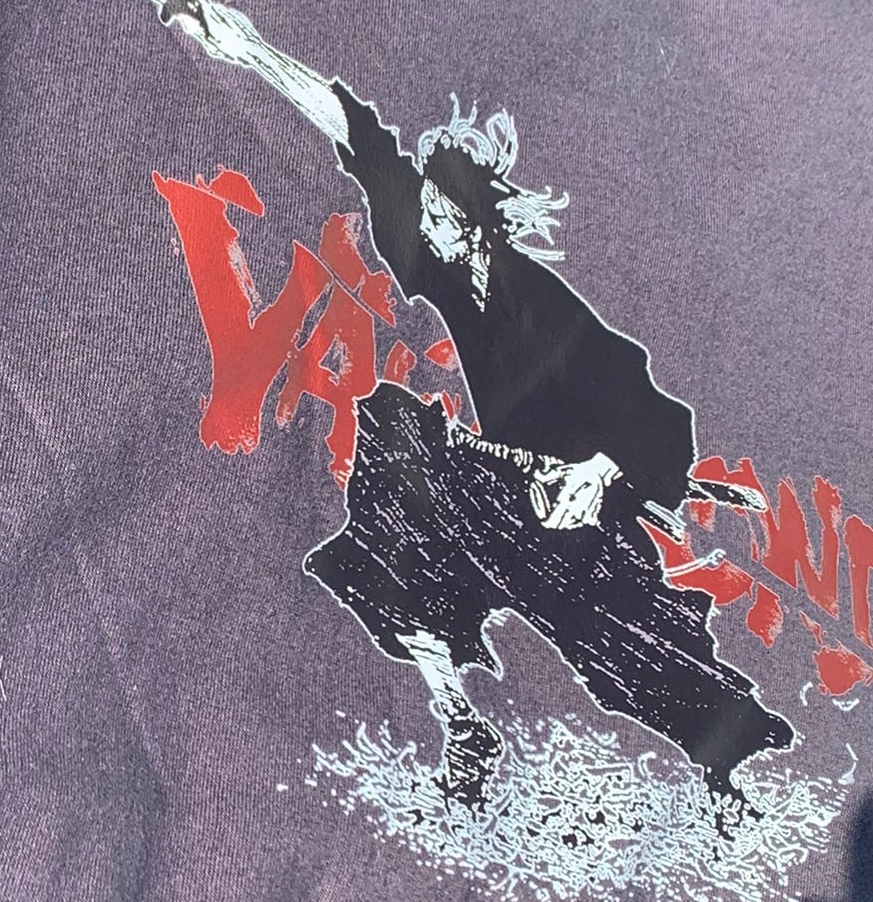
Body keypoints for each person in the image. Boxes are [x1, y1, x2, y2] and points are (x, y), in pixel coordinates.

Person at [305, 79, 796, 839]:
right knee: (394, 468)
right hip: (503, 491)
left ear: (473, 228)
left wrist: (602, 473)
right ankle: (462, 723)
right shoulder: (444, 268)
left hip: (581, 518)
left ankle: (725, 771)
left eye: (439, 214)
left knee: (629, 661)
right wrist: (243, 47)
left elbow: (651, 411)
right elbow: (364, 142)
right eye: (425, 208)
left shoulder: (542, 304)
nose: (423, 225)